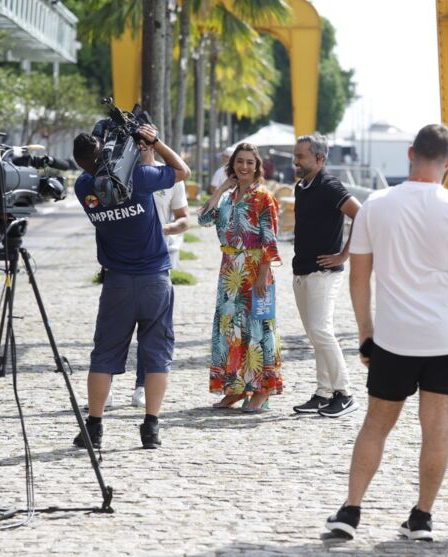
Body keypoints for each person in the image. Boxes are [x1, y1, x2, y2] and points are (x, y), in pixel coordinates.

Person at [322, 124, 448, 543]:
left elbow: (359, 278)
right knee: (436, 429)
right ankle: (421, 517)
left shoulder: (377, 206)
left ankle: (351, 509)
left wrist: (367, 333)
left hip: (395, 337)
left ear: (410, 153)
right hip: (446, 339)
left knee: (376, 425)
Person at [71, 125, 190, 449]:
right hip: (154, 279)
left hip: (117, 283)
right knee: (156, 356)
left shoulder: (83, 187)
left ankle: (94, 428)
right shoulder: (139, 177)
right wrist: (154, 142)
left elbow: (100, 169)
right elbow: (182, 170)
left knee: (103, 356)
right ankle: (150, 427)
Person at [199, 142, 283, 412]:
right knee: (230, 331)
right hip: (229, 271)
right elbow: (203, 219)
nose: (244, 166)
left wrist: (262, 275)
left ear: (257, 167)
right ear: (232, 166)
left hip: (255, 269)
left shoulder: (263, 197)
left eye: (250, 162)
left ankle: (262, 390)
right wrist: (222, 188)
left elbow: (270, 241)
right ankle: (235, 388)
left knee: (257, 330)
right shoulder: (228, 197)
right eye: (240, 162)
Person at [290, 133, 362, 418]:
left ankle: (344, 393)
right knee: (315, 335)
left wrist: (344, 254)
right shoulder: (301, 187)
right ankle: (323, 393)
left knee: (322, 331)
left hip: (324, 273)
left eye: (300, 156)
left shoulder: (330, 185)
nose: (296, 161)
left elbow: (363, 214)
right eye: (296, 156)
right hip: (302, 270)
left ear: (319, 159)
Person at [131, 140, 189, 408]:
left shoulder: (170, 176)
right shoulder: (122, 174)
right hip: (123, 259)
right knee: (115, 329)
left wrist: (164, 229)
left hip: (157, 261)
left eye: (145, 143)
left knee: (151, 330)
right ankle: (106, 385)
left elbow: (184, 218)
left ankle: (142, 385)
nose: (141, 147)